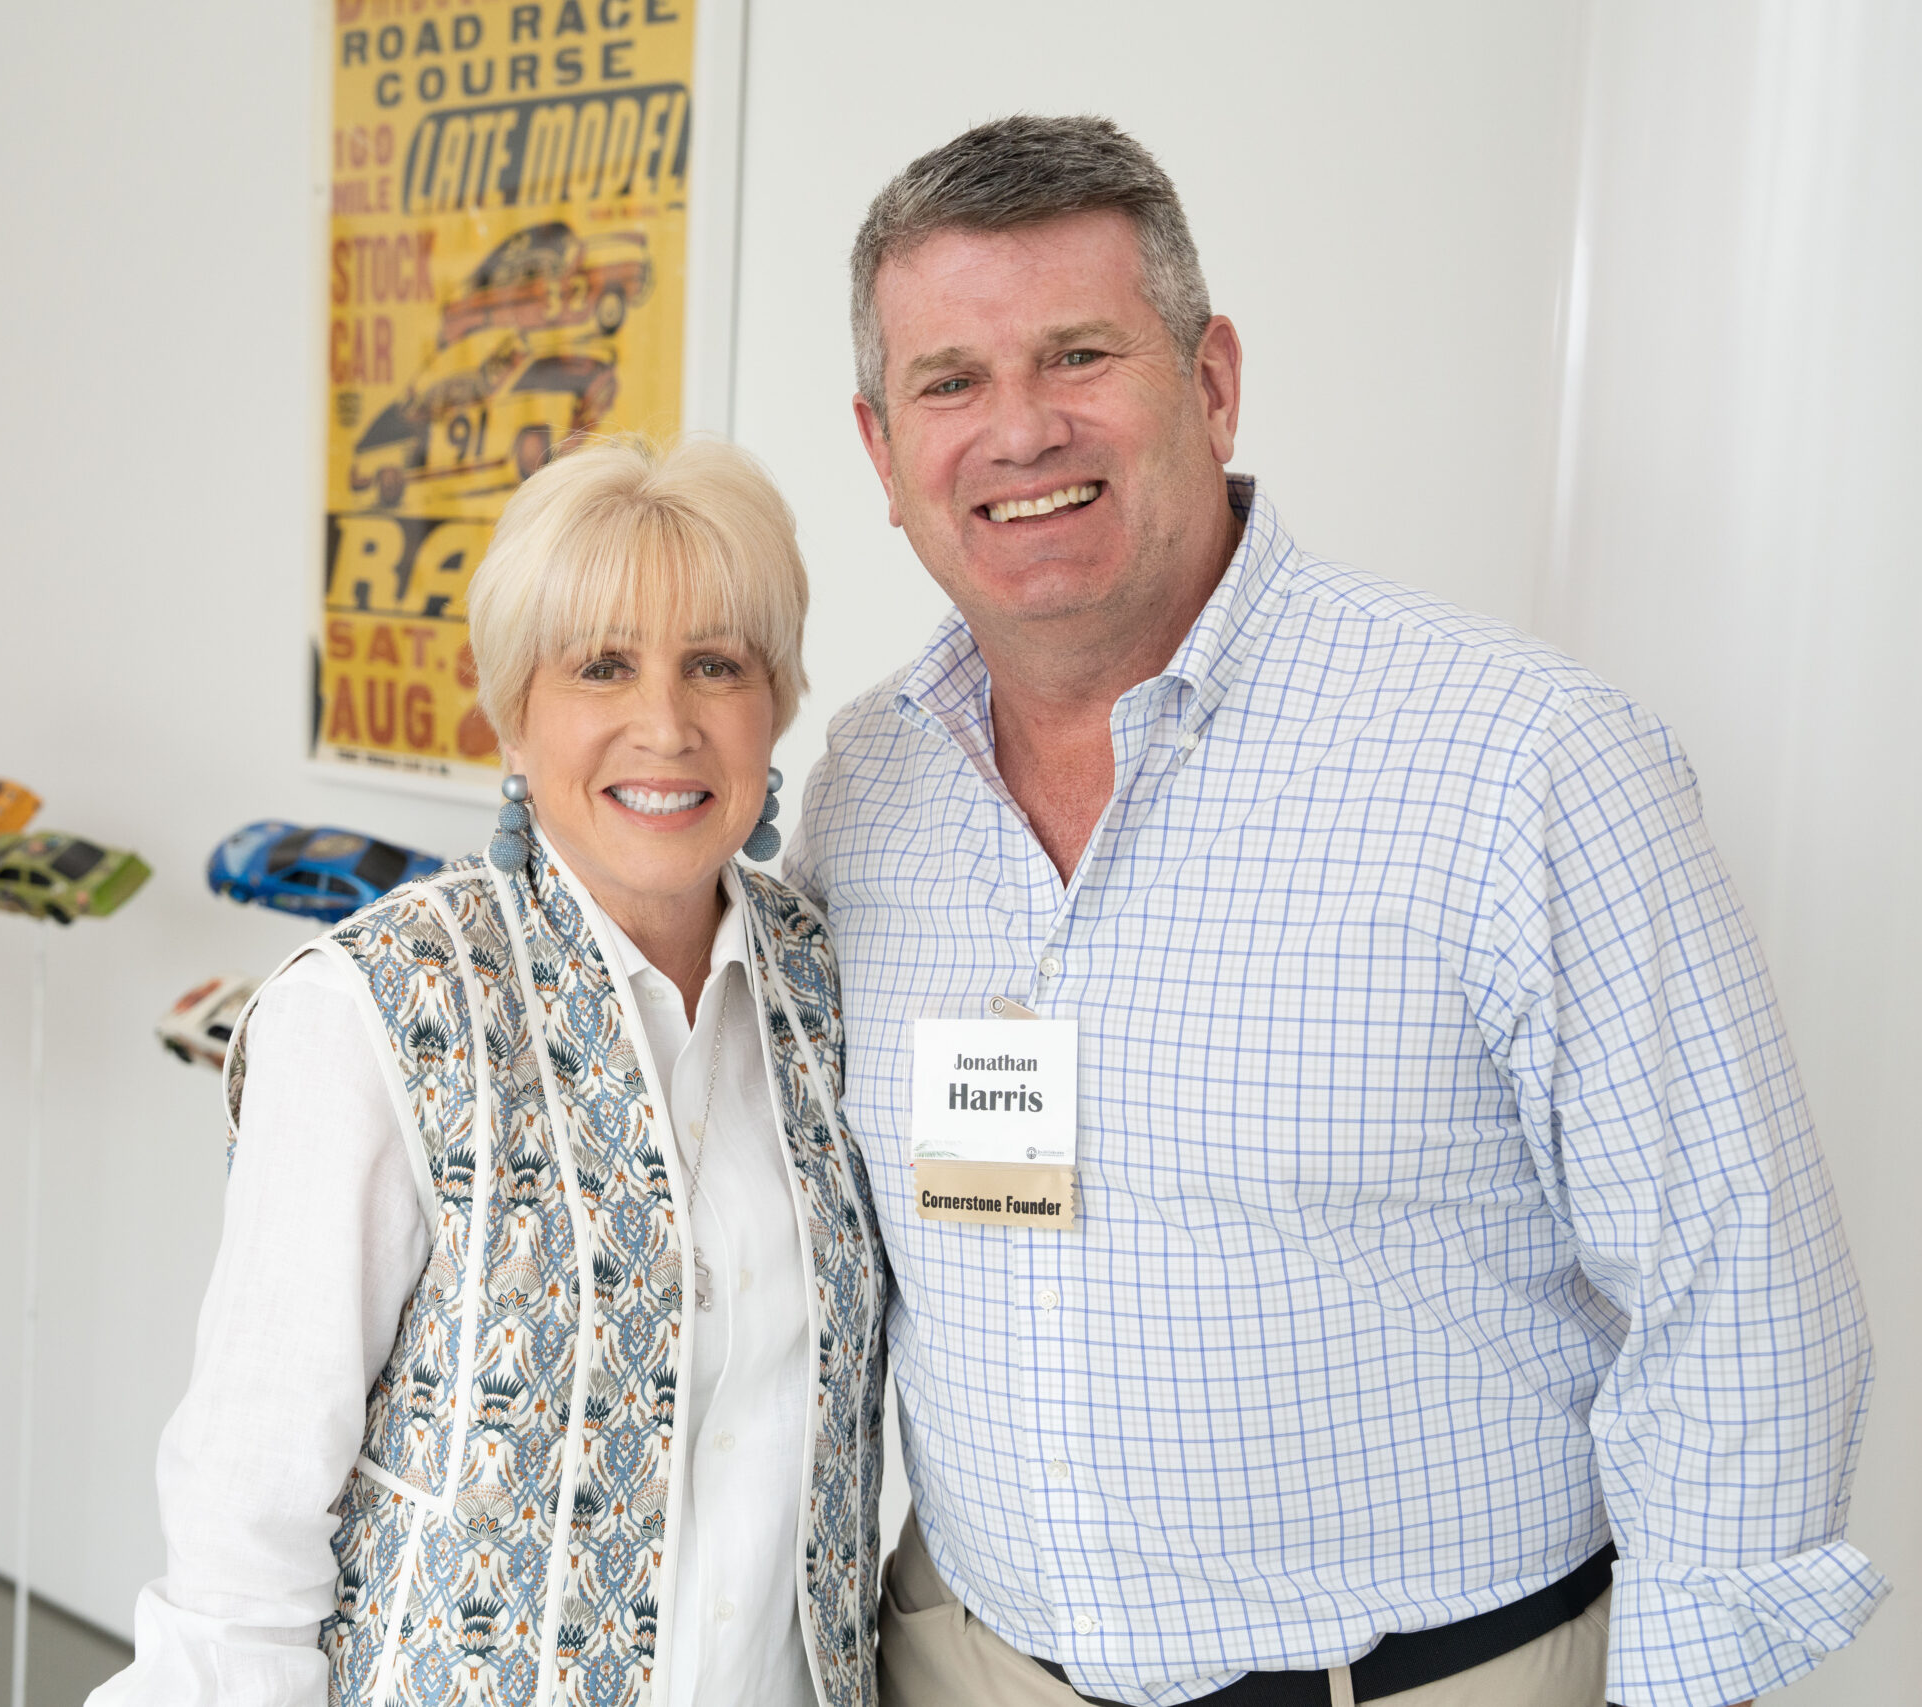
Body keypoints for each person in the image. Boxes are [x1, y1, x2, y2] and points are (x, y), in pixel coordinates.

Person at [788, 115, 1884, 1707]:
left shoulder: (1524, 762)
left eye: (1079, 355)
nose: (1019, 429)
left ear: (1212, 380)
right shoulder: (862, 787)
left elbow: (1744, 1292)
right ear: (884, 452)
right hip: (966, 1659)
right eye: (950, 381)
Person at [93, 435, 888, 1707]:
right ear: (512, 716)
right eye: (601, 666)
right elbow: (248, 1518)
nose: (665, 724)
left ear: (777, 702)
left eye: (716, 665)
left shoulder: (827, 987)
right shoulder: (374, 1006)